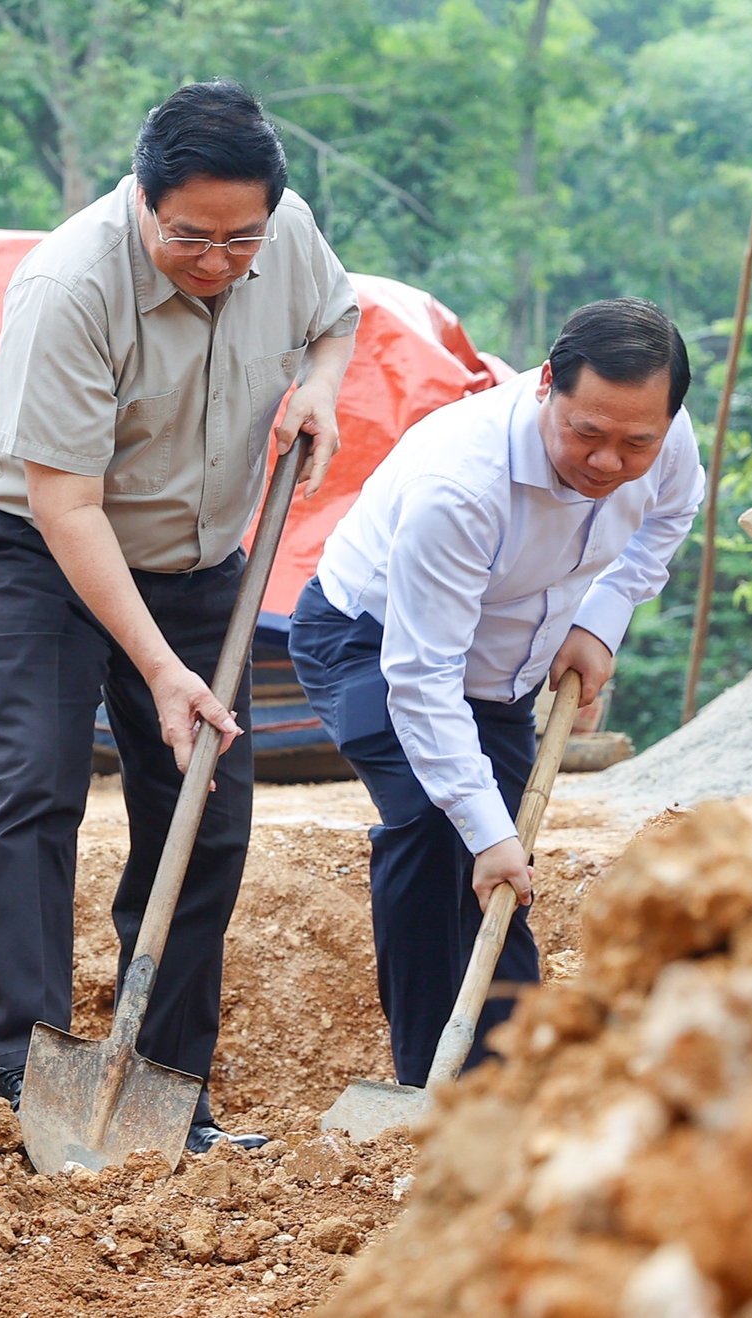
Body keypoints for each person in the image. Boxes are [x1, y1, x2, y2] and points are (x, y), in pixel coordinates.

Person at [0, 80, 359, 1155]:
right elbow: (65, 503)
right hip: (41, 553)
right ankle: (16, 1087)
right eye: (191, 237)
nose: (219, 260)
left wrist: (320, 383)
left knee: (207, 807)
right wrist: (158, 665)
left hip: (196, 559)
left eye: (241, 241)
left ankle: (168, 1093)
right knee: (37, 781)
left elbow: (337, 317)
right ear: (142, 200)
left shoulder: (282, 230)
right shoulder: (69, 286)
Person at [288, 298, 704, 1086]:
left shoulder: (661, 439)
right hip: (374, 646)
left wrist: (602, 619)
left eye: (635, 443)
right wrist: (480, 828)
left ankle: (511, 1077)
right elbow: (422, 679)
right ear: (547, 383)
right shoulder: (462, 483)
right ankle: (430, 1089)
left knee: (502, 866)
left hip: (505, 668)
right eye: (588, 434)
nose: (610, 462)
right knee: (434, 827)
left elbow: (670, 515)